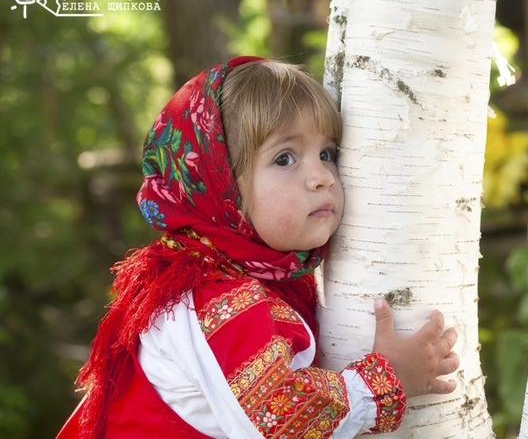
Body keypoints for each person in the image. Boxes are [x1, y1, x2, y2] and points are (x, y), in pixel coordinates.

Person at [56, 56, 459, 439]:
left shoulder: (261, 277)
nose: (322, 177)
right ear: (222, 187)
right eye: (285, 158)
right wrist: (388, 379)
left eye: (327, 153)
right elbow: (279, 421)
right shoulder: (209, 298)